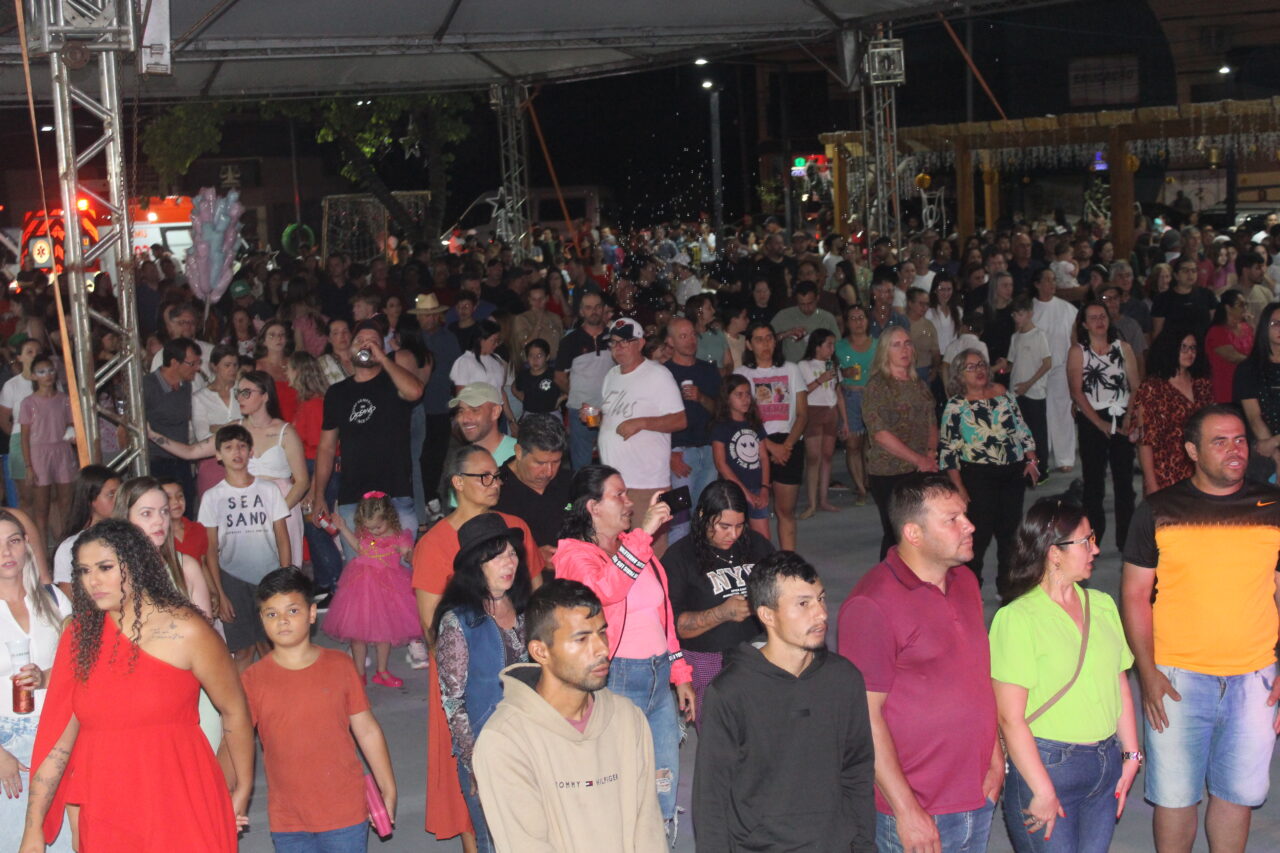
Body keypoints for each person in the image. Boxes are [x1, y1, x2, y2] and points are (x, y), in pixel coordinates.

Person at [21, 519, 254, 852]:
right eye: (84, 571)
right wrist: (34, 828)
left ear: (136, 565)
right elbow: (59, 738)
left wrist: (241, 787)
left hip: (179, 796)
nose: (93, 581)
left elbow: (236, 711)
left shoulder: (187, 630)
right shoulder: (78, 635)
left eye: (104, 567)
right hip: (108, 805)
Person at [1120, 405, 1280, 853]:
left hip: (1256, 679)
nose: (1236, 450)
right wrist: (1147, 672)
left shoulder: (1273, 507)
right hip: (1177, 679)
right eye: (1220, 441)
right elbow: (1134, 594)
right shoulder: (1158, 509)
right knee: (1175, 798)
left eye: (1241, 440)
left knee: (1237, 796)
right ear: (1192, 450)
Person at [838, 473, 1003, 853]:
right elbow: (865, 717)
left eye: (965, 514)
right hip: (917, 807)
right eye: (952, 519)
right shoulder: (871, 605)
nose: (969, 525)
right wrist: (906, 809)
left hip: (976, 792)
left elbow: (976, 679)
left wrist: (996, 756)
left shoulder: (964, 581)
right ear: (913, 534)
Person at [694, 549, 874, 851]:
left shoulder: (844, 680)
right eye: (803, 604)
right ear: (767, 615)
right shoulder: (730, 692)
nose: (821, 613)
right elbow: (711, 798)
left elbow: (857, 773)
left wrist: (865, 846)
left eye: (821, 599)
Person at [411, 445, 544, 850]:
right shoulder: (435, 544)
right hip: (468, 676)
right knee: (469, 790)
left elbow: (536, 601)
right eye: (483, 476)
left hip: (522, 688)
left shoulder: (515, 525)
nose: (495, 483)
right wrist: (468, 669)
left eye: (497, 475)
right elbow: (435, 628)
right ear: (457, 483)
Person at [473, 579, 667, 853]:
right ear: (541, 651)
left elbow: (649, 829)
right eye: (582, 639)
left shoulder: (627, 719)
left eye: (602, 633)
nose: (601, 649)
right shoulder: (504, 741)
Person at [991, 497, 1141, 851]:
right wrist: (1041, 789)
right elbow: (1010, 718)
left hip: (1104, 766)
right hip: (1046, 766)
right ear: (1053, 552)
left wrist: (1131, 755)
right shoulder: (1017, 619)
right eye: (1086, 541)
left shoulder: (1102, 605)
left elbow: (1119, 683)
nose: (1097, 549)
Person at [552, 464, 695, 832]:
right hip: (614, 682)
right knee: (617, 790)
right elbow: (604, 591)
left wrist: (680, 674)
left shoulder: (634, 546)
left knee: (663, 785)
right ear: (592, 507)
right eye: (619, 495)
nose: (630, 503)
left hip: (658, 678)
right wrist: (643, 535)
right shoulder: (573, 557)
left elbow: (662, 613)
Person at [241, 567, 396, 852]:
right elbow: (236, 745)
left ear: (312, 613)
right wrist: (230, 795)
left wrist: (387, 785)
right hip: (288, 818)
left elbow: (367, 730)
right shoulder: (253, 679)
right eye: (271, 613)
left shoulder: (340, 665)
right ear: (261, 619)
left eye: (293, 611)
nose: (283, 620)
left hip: (345, 812)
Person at [433, 514, 534, 853]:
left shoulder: (525, 609)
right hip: (489, 751)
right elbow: (453, 701)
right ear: (477, 565)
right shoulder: (458, 621)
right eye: (498, 555)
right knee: (495, 843)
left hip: (534, 746)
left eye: (513, 553)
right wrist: (476, 762)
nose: (510, 562)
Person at [663, 480, 773, 726]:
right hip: (706, 658)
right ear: (703, 516)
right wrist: (722, 613)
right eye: (724, 526)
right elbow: (674, 627)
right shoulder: (680, 557)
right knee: (720, 737)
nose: (733, 534)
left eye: (739, 526)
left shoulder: (756, 545)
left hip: (757, 653)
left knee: (764, 730)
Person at [315, 319, 424, 558]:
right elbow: (326, 447)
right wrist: (319, 494)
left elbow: (415, 391)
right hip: (353, 498)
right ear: (349, 348)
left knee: (399, 569)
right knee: (359, 572)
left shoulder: (393, 380)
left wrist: (384, 359)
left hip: (395, 495)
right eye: (360, 341)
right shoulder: (337, 393)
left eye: (373, 342)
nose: (365, 346)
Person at [0, 510, 73, 853]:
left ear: (27, 545)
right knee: (14, 837)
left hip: (58, 733)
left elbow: (82, 668)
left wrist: (45, 676)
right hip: (7, 742)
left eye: (13, 541)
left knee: (62, 838)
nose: (6, 553)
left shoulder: (56, 600)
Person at [938, 348, 1038, 591]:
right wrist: (958, 486)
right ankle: (970, 588)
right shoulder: (955, 406)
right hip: (978, 476)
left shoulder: (1003, 394)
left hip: (1012, 473)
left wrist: (1031, 460)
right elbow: (949, 451)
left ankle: (1009, 587)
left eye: (982, 364)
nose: (979, 370)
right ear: (959, 375)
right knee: (977, 536)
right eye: (971, 367)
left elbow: (1021, 428)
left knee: (1011, 534)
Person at [197, 425, 291, 669]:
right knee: (243, 651)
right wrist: (219, 592)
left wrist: (285, 577)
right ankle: (242, 705)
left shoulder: (269, 490)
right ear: (218, 455)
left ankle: (274, 703)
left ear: (251, 451)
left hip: (269, 577)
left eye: (241, 446)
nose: (236, 452)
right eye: (228, 448)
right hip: (232, 578)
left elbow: (282, 537)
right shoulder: (212, 497)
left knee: (270, 646)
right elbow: (210, 550)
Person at [596, 317, 686, 553]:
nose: (618, 347)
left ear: (641, 343)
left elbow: (680, 420)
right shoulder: (610, 376)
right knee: (615, 550)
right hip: (614, 482)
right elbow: (612, 419)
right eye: (614, 342)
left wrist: (642, 423)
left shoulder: (658, 375)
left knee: (648, 551)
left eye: (625, 341)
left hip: (646, 482)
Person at [323, 492, 420, 688]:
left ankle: (382, 671)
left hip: (388, 589)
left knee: (384, 634)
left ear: (389, 517)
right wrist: (342, 527)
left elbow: (409, 556)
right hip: (360, 587)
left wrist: (410, 555)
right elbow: (360, 548)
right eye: (369, 527)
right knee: (357, 635)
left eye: (378, 526)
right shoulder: (366, 533)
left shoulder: (399, 537)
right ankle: (359, 673)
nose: (374, 531)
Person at [1067, 302, 1140, 549]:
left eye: (1103, 316)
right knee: (1093, 484)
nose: (1099, 321)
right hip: (1091, 417)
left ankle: (1126, 540)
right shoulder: (1079, 351)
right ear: (1084, 324)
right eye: (1093, 317)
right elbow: (1076, 392)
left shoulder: (1123, 348)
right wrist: (1098, 423)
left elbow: (1135, 386)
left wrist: (1129, 416)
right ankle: (1093, 540)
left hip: (1121, 414)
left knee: (1124, 482)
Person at [862, 326, 937, 560]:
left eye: (907, 343)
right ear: (885, 351)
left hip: (921, 467)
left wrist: (931, 453)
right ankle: (889, 588)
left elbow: (931, 421)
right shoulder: (877, 386)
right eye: (896, 344)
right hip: (889, 471)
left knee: (923, 533)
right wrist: (918, 459)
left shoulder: (919, 384)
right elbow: (880, 434)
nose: (904, 349)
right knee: (897, 535)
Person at [734, 321, 808, 550]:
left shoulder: (791, 369)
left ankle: (788, 561)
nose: (765, 344)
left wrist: (786, 446)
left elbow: (803, 414)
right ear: (749, 344)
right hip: (754, 444)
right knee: (754, 510)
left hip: (788, 442)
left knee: (785, 510)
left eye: (769, 338)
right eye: (759, 339)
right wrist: (768, 446)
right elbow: (740, 416)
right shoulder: (742, 374)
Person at [1134, 327, 1213, 495]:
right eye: (1183, 347)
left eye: (1193, 348)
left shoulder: (1202, 384)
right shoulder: (1152, 388)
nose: (1189, 353)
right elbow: (1145, 442)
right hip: (1165, 471)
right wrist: (1151, 484)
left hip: (1201, 469)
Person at [664, 316, 721, 544]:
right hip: (679, 454)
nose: (690, 341)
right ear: (670, 341)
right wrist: (668, 455)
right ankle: (677, 574)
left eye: (692, 335)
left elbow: (721, 411)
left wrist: (701, 397)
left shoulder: (708, 371)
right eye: (683, 336)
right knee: (678, 520)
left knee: (706, 517)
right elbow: (656, 420)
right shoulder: (662, 374)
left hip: (708, 452)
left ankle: (701, 570)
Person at [493, 413, 572, 565]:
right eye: (540, 463)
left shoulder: (569, 482)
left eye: (556, 462)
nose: (549, 472)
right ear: (519, 452)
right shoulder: (495, 491)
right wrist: (532, 556)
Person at [555, 289, 614, 470]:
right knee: (582, 464)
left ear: (603, 309)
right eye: (588, 308)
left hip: (610, 409)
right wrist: (577, 395)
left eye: (597, 307)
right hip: (583, 410)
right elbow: (559, 377)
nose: (594, 311)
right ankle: (582, 498)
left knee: (612, 459)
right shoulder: (570, 341)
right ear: (581, 311)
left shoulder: (615, 338)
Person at [143, 336, 201, 514]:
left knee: (187, 511)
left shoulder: (186, 385)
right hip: (156, 463)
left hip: (182, 460)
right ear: (174, 363)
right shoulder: (147, 386)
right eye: (192, 364)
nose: (197, 369)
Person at [711, 375, 773, 540]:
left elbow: (764, 457)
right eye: (739, 395)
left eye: (747, 394)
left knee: (763, 538)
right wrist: (744, 492)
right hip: (733, 491)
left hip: (756, 488)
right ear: (727, 398)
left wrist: (765, 488)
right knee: (733, 537)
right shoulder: (721, 427)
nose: (745, 399)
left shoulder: (754, 423)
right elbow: (721, 463)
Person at [1032, 267, 1080, 472]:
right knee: (1039, 413)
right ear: (1037, 284)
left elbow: (1074, 340)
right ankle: (1040, 456)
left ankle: (1065, 458)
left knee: (1062, 412)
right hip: (1036, 369)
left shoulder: (1068, 309)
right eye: (1047, 280)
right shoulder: (1030, 309)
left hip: (1061, 366)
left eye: (1054, 280)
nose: (1052, 284)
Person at [797, 328, 847, 518]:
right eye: (829, 345)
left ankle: (824, 499)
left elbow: (839, 394)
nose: (832, 349)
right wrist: (820, 380)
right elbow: (803, 391)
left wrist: (845, 420)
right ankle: (811, 503)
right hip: (814, 410)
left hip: (831, 410)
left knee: (827, 457)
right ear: (817, 346)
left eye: (833, 345)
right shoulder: (804, 365)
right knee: (813, 458)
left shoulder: (832, 364)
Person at [50, 466, 120, 599]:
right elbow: (68, 600)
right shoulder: (70, 546)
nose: (118, 500)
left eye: (120, 494)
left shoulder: (130, 536)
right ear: (90, 499)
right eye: (111, 494)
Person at [1005, 296, 1053, 485]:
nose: (1017, 318)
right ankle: (1025, 468)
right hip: (1016, 392)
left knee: (1037, 432)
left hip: (1034, 392)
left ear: (1030, 313)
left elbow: (1047, 363)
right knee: (1019, 432)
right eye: (1015, 314)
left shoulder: (1039, 335)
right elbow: (1012, 364)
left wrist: (1029, 383)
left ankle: (1041, 469)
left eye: (1021, 313)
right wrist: (1001, 367)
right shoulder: (1015, 337)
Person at [191, 344, 241, 497]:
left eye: (235, 365)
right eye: (227, 365)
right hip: (214, 462)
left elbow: (252, 425)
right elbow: (202, 437)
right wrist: (235, 426)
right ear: (214, 366)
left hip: (244, 460)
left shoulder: (243, 391)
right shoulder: (200, 397)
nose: (232, 369)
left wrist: (218, 428)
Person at [837, 304, 875, 505]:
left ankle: (871, 482)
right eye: (853, 318)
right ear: (846, 322)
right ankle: (860, 488)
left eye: (861, 317)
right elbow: (831, 373)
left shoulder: (878, 344)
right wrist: (843, 374)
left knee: (873, 443)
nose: (858, 322)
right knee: (853, 444)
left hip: (873, 397)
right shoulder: (839, 346)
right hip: (850, 397)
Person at [771, 281, 840, 363]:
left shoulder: (827, 318)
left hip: (820, 368)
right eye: (802, 304)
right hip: (793, 368)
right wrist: (786, 334)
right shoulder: (783, 315)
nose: (806, 308)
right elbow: (768, 339)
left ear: (817, 298)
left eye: (810, 303)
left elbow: (838, 345)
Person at [1151, 256, 1218, 341]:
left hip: (1201, 347)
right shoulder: (1162, 299)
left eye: (1194, 271)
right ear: (1176, 275)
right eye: (1185, 271)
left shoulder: (1207, 295)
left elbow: (1214, 326)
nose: (1190, 274)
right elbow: (1157, 332)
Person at [1205, 289, 1252, 405]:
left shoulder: (1246, 327)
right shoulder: (1216, 332)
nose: (1244, 308)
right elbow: (1233, 357)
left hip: (1246, 388)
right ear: (1228, 308)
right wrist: (1259, 361)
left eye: (1245, 304)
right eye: (1240, 305)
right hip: (1226, 390)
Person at [511, 339, 564, 415]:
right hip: (529, 414)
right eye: (531, 355)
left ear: (547, 357)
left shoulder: (554, 374)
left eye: (539, 356)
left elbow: (569, 387)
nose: (535, 360)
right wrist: (526, 401)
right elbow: (515, 388)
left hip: (551, 414)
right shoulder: (524, 375)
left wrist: (559, 400)